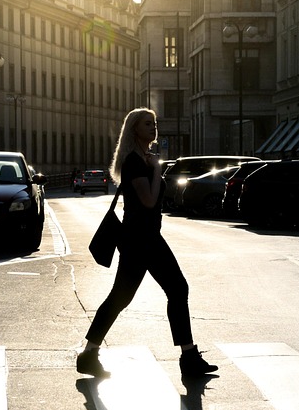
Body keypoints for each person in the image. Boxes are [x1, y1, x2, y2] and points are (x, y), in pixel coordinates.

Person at [77, 108, 217, 378]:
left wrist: (155, 168)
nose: (153, 127)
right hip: (140, 238)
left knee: (124, 297)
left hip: (145, 237)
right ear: (134, 129)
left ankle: (89, 354)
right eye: (147, 124)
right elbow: (150, 200)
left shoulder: (145, 158)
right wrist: (156, 171)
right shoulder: (134, 162)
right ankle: (188, 358)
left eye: (154, 123)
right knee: (175, 288)